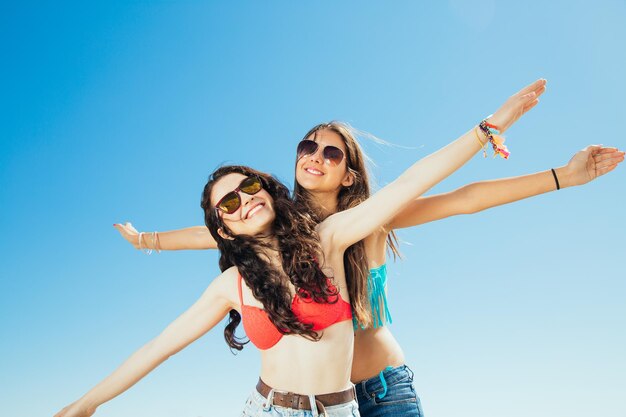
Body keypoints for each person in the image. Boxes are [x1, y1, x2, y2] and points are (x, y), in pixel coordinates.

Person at [57, 79, 552, 417]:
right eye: (307, 147)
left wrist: (495, 133)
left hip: (370, 389)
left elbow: (436, 188)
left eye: (330, 152)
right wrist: (147, 241)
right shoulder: (239, 270)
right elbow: (158, 344)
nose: (314, 157)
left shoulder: (340, 232)